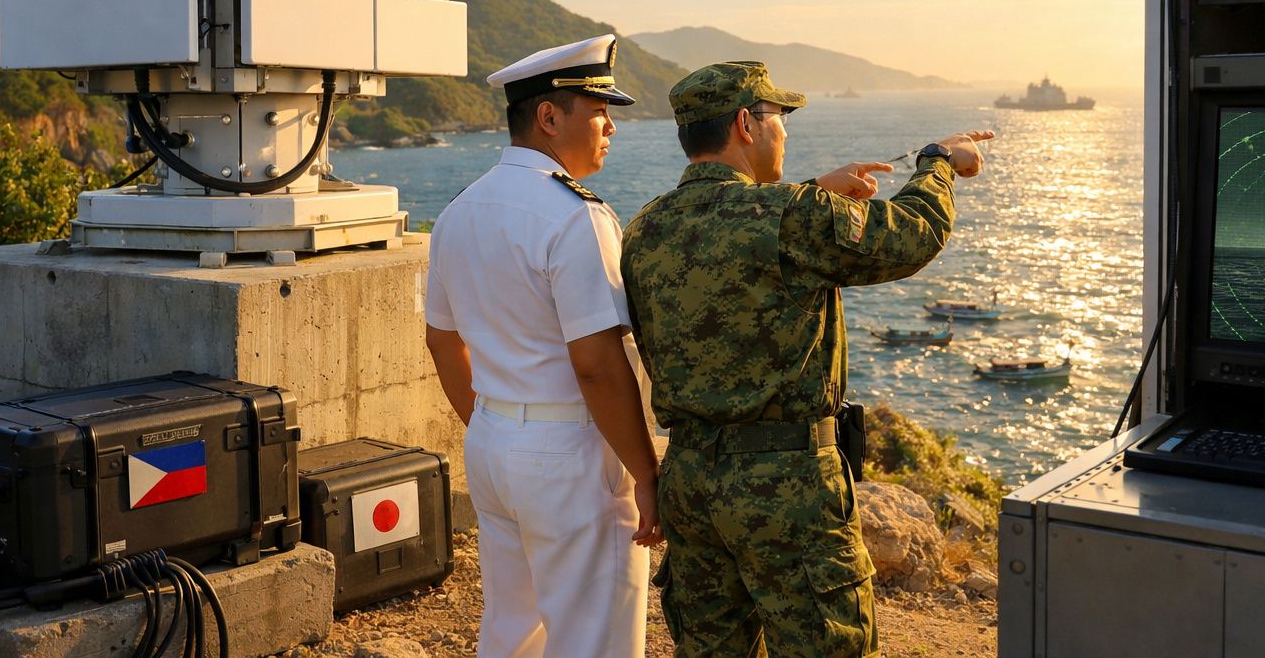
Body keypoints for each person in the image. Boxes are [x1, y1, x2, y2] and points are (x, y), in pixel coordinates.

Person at [621, 61, 992, 658]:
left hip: (690, 482)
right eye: (779, 118)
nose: (784, 133)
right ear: (746, 123)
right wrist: (941, 162)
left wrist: (814, 194)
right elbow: (912, 234)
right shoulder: (791, 216)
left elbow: (735, 249)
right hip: (787, 484)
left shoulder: (645, 228)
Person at [424, 34, 662, 658]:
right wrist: (646, 472)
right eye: (598, 110)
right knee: (596, 641)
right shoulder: (574, 216)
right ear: (549, 117)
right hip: (569, 454)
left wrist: (495, 424)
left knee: (513, 630)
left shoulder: (458, 212)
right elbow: (598, 367)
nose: (611, 126)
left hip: (494, 442)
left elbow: (442, 341)